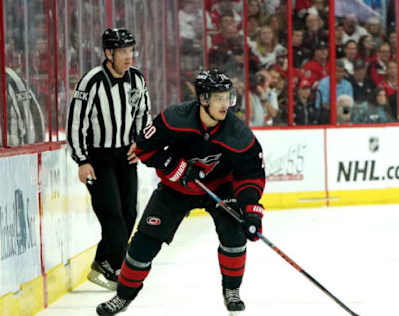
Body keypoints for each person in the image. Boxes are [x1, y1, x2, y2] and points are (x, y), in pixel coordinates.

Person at [96, 69, 266, 315]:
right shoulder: (175, 118)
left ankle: (232, 290)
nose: (224, 103)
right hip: (176, 188)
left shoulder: (238, 133)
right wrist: (175, 167)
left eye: (227, 96)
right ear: (203, 99)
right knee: (144, 243)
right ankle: (123, 296)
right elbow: (143, 148)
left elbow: (250, 174)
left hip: (219, 188)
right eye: (218, 98)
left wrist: (251, 210)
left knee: (234, 236)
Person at [66, 28, 151, 291]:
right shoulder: (91, 81)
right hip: (98, 157)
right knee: (111, 214)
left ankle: (103, 263)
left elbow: (144, 115)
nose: (128, 57)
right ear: (108, 53)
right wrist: (82, 160)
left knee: (129, 214)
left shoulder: (137, 79)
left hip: (126, 155)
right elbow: (75, 122)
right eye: (122, 52)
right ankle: (117, 268)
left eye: (130, 51)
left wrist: (140, 144)